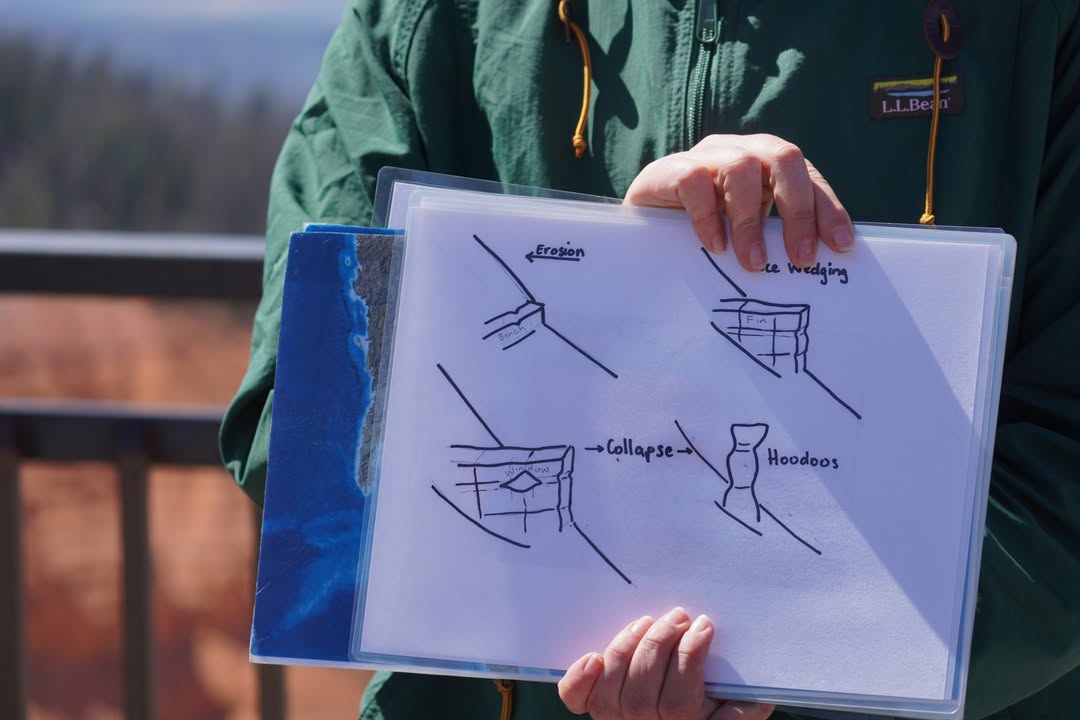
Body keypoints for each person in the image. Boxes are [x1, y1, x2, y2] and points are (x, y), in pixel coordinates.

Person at [220, 1, 1080, 718]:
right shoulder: (434, 15)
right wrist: (621, 282)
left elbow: (1063, 489)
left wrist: (762, 667)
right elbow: (308, 443)